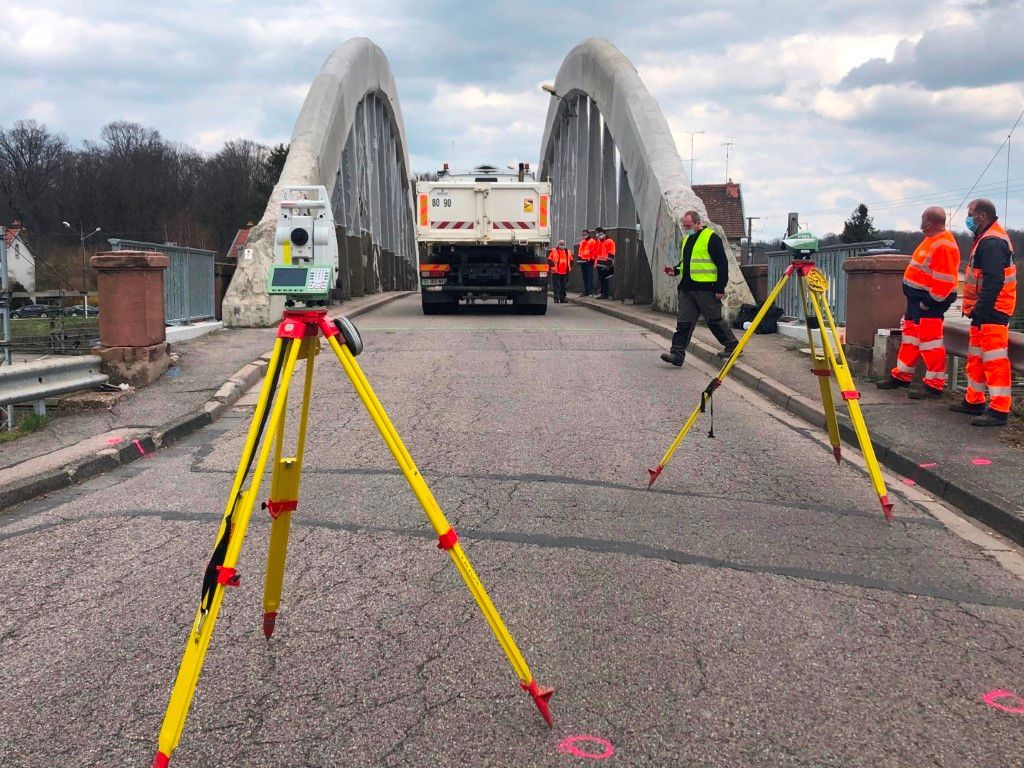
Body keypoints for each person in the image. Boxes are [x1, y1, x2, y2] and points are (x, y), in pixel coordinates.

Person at [877, 206, 959, 398]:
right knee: (911, 339)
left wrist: (930, 302)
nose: (920, 222)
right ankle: (902, 375)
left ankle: (934, 384)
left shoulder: (943, 244)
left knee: (931, 343)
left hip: (929, 302)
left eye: (923, 218)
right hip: (917, 300)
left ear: (928, 222)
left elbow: (944, 280)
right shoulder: (931, 240)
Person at [949, 198, 1016, 426]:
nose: (967, 219)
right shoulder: (986, 238)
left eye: (970, 214)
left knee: (995, 360)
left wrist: (983, 309)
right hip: (984, 310)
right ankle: (974, 400)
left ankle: (999, 409)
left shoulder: (992, 241)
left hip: (994, 310)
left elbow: (994, 281)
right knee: (977, 357)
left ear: (982, 216)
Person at [659, 210, 738, 366]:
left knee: (714, 320)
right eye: (684, 225)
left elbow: (722, 264)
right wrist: (675, 270)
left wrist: (720, 288)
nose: (685, 228)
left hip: (707, 289)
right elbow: (686, 263)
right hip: (687, 289)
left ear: (697, 222)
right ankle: (676, 354)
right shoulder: (688, 239)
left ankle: (732, 345)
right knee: (683, 323)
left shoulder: (711, 238)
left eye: (688, 225)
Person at [547, 239, 573, 303]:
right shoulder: (554, 251)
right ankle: (556, 298)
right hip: (556, 272)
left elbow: (571, 260)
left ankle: (563, 298)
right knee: (556, 286)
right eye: (561, 244)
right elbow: (549, 260)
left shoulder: (568, 252)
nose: (562, 246)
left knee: (564, 286)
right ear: (558, 245)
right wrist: (553, 268)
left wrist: (569, 268)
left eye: (563, 245)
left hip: (565, 272)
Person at [594, 227, 616, 299]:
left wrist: (608, 263)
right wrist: (595, 263)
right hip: (599, 264)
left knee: (605, 279)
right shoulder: (598, 241)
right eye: (597, 233)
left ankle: (605, 294)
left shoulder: (609, 241)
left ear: (604, 234)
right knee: (601, 279)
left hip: (605, 264)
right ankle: (602, 293)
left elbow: (611, 253)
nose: (598, 235)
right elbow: (597, 253)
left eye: (600, 234)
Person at [576, 229, 595, 296]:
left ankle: (591, 291)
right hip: (583, 262)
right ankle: (586, 291)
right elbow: (580, 251)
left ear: (588, 234)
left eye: (585, 234)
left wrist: (592, 260)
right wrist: (579, 259)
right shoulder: (582, 242)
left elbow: (593, 252)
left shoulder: (592, 241)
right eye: (583, 235)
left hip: (589, 262)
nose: (584, 236)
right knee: (585, 277)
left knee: (590, 277)